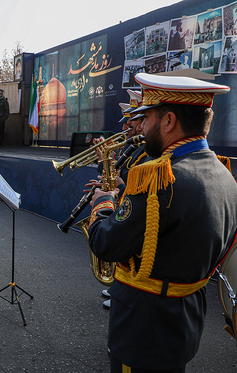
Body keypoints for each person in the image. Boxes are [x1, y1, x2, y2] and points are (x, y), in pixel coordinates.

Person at [87, 73, 237, 373]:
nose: (140, 126)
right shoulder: (224, 173)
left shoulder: (157, 178)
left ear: (168, 121)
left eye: (147, 118)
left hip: (143, 329)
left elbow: (106, 243)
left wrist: (103, 202)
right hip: (185, 321)